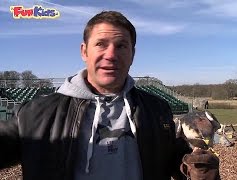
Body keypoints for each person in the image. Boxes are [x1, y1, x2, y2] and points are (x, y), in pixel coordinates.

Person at [0, 11, 220, 180]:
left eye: (121, 46)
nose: (111, 55)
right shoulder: (35, 113)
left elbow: (173, 163)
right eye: (101, 44)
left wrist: (196, 169)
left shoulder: (157, 110)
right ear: (84, 51)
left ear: (132, 54)